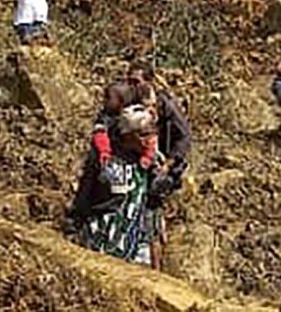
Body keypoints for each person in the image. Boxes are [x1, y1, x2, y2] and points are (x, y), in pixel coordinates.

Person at [70, 105, 157, 266]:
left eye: (152, 133)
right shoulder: (107, 159)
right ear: (128, 135)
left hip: (136, 239)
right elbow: (87, 189)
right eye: (143, 134)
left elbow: (153, 201)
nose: (149, 140)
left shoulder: (151, 160)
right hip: (103, 234)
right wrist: (76, 217)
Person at [125, 61, 191, 270]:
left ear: (149, 82)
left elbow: (184, 136)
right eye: (129, 82)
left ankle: (156, 270)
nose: (132, 86)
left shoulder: (165, 105)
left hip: (160, 168)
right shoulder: (130, 104)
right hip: (137, 166)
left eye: (136, 81)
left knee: (151, 214)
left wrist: (169, 164)